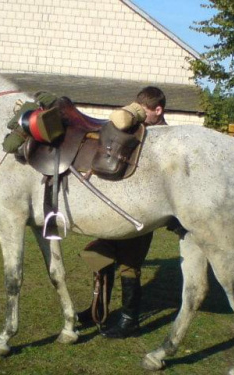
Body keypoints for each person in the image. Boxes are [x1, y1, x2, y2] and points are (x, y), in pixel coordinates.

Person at [78, 86, 167, 339]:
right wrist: (93, 168)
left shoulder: (164, 137)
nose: (139, 115)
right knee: (97, 253)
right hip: (118, 209)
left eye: (145, 111)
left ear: (158, 110)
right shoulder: (139, 129)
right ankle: (99, 308)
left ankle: (130, 320)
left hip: (142, 212)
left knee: (129, 266)